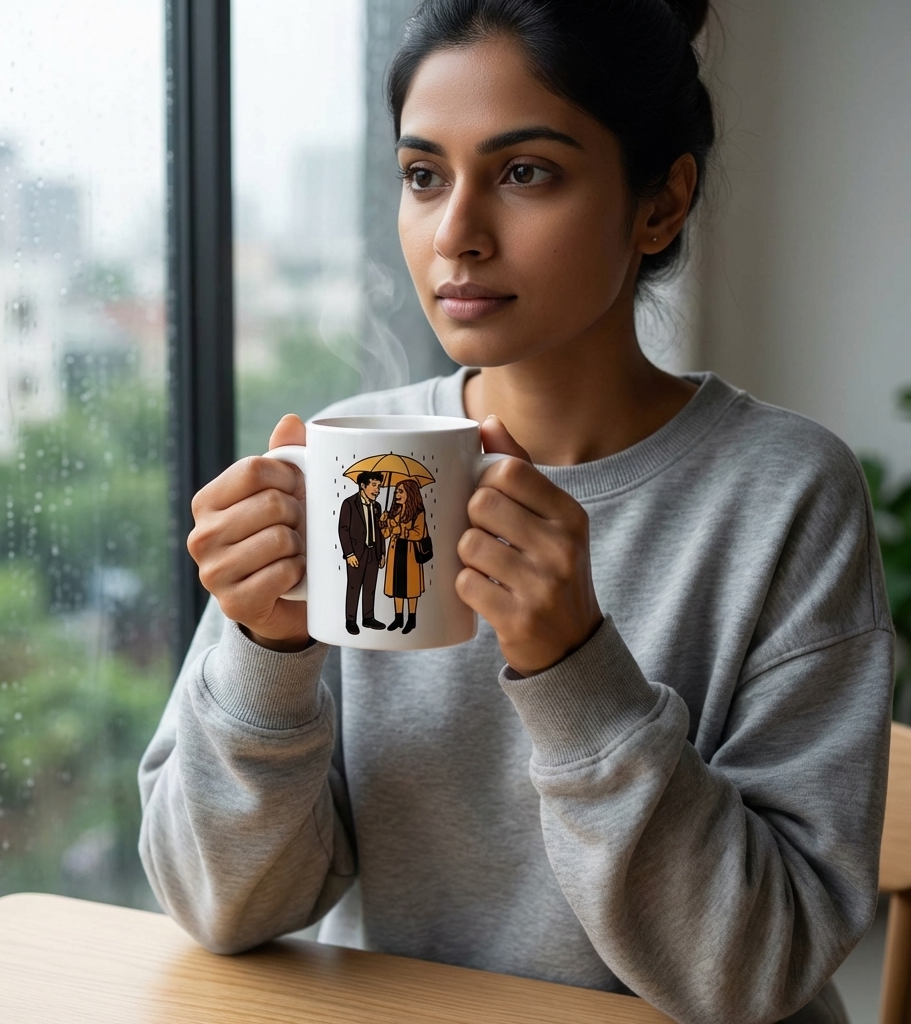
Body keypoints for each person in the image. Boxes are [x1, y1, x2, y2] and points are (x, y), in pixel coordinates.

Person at [140, 2, 894, 1022]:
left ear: (660, 203)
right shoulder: (347, 458)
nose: (456, 233)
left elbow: (754, 972)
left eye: (524, 172)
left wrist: (574, 665)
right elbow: (218, 904)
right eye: (422, 176)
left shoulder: (784, 493)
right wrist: (265, 651)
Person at [338, 470, 387, 634]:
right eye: (374, 485)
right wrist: (349, 554)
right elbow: (343, 529)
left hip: (373, 552)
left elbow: (380, 532)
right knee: (353, 587)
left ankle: (368, 618)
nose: (377, 490)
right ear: (363, 485)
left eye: (379, 486)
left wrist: (382, 553)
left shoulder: (378, 507)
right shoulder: (349, 503)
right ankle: (350, 620)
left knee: (370, 587)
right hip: (356, 553)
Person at [380, 478, 428, 633]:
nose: (397, 494)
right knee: (396, 587)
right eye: (396, 491)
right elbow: (385, 534)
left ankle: (412, 619)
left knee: (411, 588)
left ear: (410, 493)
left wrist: (399, 530)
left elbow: (418, 533)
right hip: (395, 553)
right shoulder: (395, 512)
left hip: (410, 554)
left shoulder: (418, 512)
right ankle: (398, 618)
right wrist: (382, 523)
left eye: (401, 491)